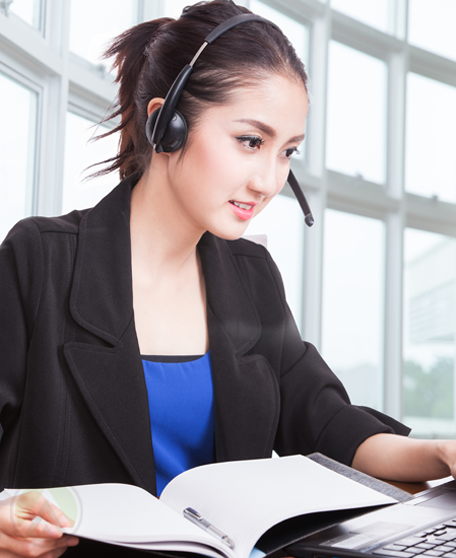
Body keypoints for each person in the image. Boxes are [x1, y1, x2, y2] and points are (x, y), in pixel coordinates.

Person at [1, 0, 456, 556]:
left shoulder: (251, 277)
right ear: (166, 124)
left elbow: (328, 424)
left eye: (287, 151)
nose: (269, 180)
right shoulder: (40, 261)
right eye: (250, 141)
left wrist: (441, 454)